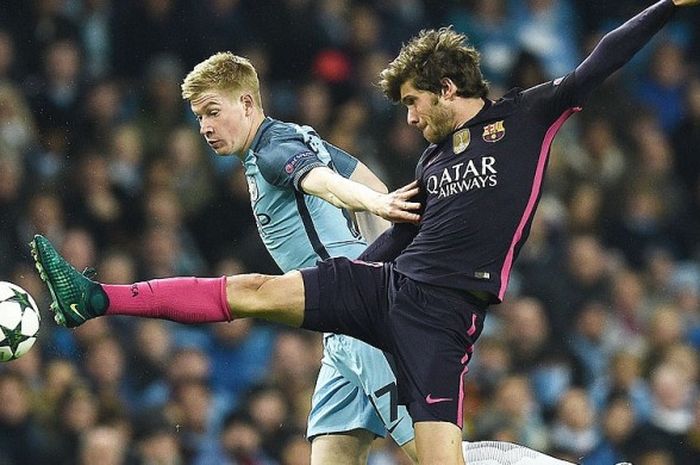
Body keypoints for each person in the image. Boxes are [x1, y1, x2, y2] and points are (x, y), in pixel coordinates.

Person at [31, 1, 698, 463]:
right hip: (374, 298)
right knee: (262, 296)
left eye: (413, 101)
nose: (407, 117)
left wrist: (667, 6)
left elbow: (600, 60)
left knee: (440, 458)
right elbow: (387, 219)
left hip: (436, 316)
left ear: (444, 85)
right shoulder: (433, 161)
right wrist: (335, 279)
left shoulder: (524, 117)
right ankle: (98, 298)